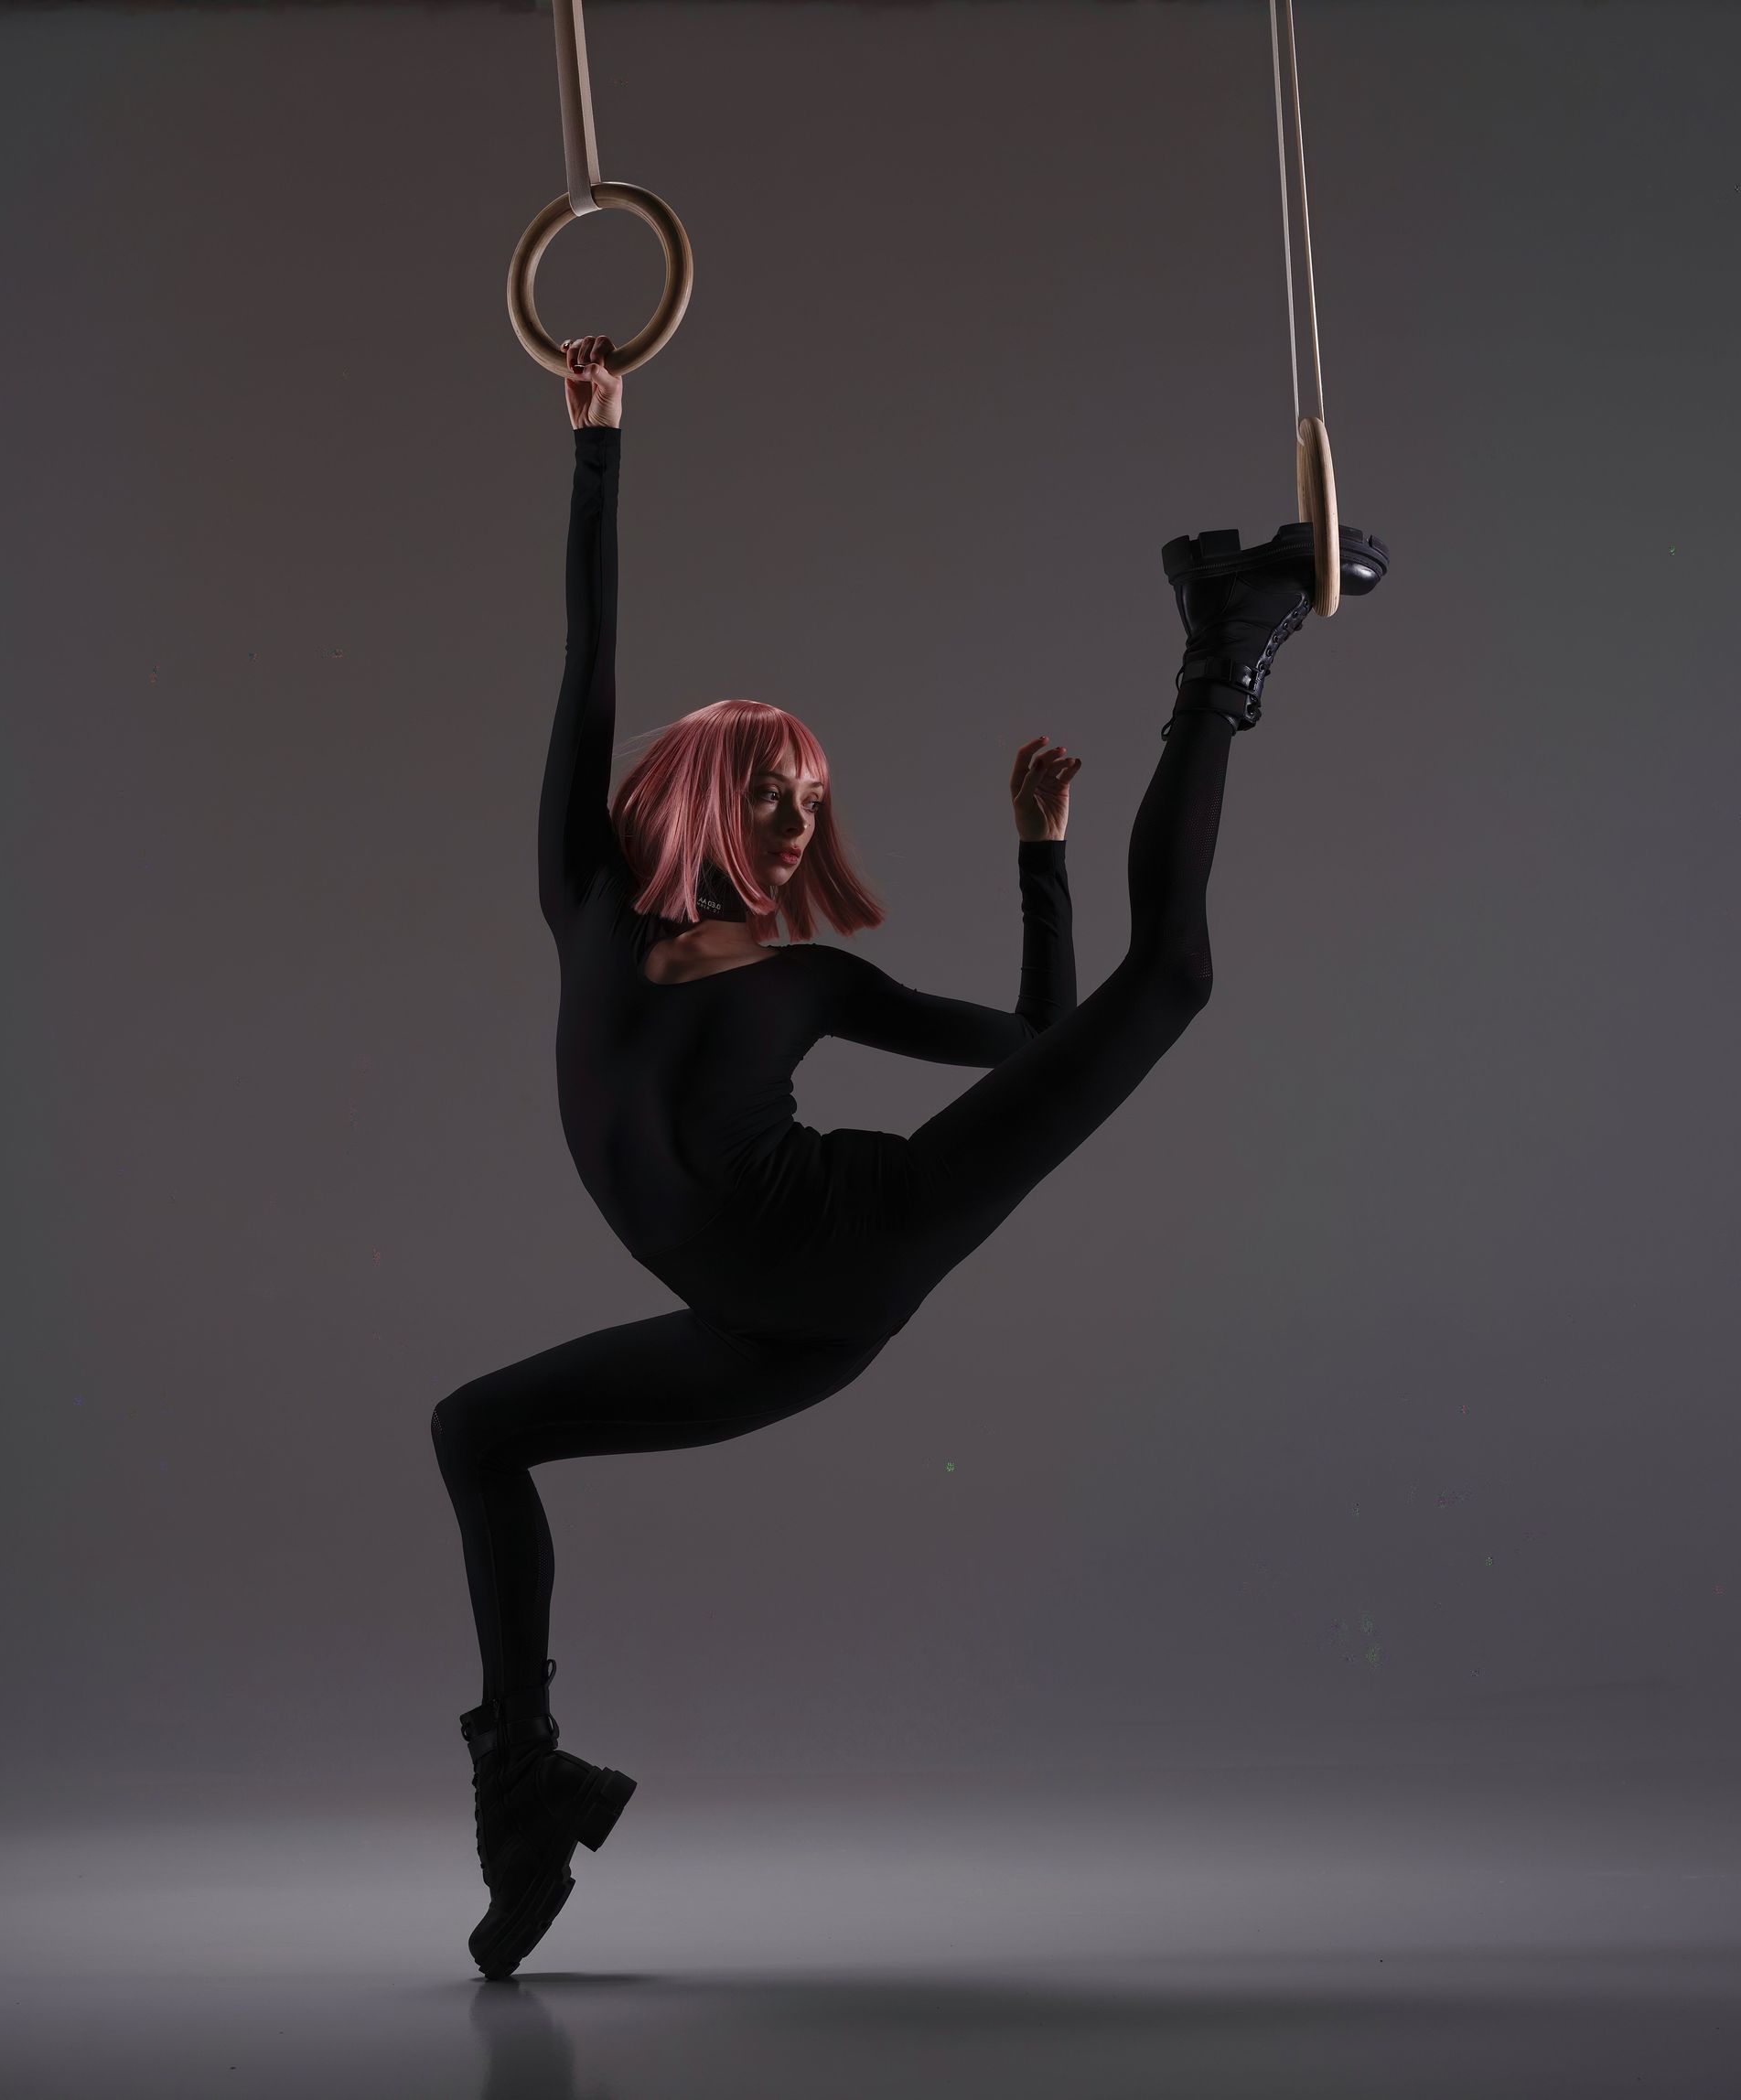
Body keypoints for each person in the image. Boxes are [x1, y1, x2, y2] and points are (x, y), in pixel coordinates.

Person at [432, 333, 1389, 1977]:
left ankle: (1221, 649)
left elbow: (1033, 1039)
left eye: (814, 800)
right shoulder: (583, 905)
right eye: (775, 792)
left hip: (869, 1240)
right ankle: (524, 1794)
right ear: (700, 792)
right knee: (476, 1431)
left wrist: (1041, 862)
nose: (803, 823)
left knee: (1172, 981)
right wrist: (597, 437)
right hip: (764, 1341)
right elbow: (587, 655)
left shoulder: (813, 982)